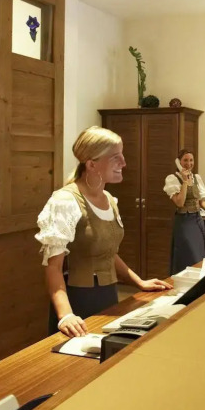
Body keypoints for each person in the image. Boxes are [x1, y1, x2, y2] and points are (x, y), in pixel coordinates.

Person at [36, 126, 171, 338]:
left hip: (108, 294)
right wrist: (66, 315)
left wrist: (139, 282)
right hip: (78, 299)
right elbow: (53, 267)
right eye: (116, 157)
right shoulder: (65, 201)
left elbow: (107, 253)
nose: (124, 163)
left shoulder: (109, 199)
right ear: (92, 164)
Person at [165, 149, 205, 273]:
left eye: (191, 160)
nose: (189, 163)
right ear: (178, 162)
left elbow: (202, 202)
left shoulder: (197, 178)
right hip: (184, 223)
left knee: (199, 258)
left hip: (197, 221)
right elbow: (179, 202)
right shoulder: (172, 179)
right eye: (185, 160)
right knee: (188, 257)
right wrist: (185, 181)